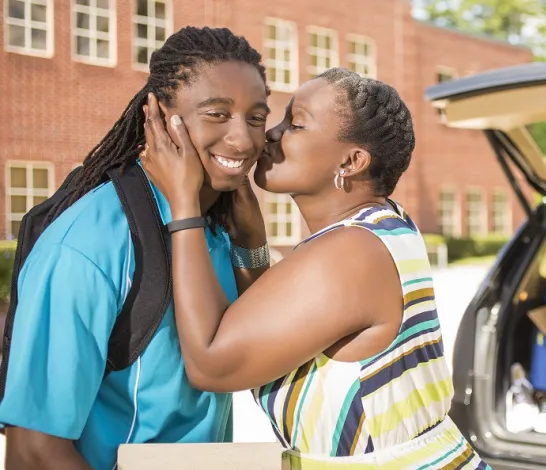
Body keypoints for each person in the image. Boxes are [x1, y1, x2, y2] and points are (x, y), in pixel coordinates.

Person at [140, 67, 489, 468]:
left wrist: (183, 206)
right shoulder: (383, 225)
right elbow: (278, 328)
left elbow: (211, 365)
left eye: (297, 124)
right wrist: (251, 243)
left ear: (352, 160)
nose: (273, 132)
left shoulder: (352, 252)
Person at [0, 26, 272, 470]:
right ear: (161, 115)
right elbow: (33, 452)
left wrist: (252, 245)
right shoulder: (90, 242)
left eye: (256, 117)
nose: (243, 140)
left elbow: (259, 352)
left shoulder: (220, 227)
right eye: (217, 114)